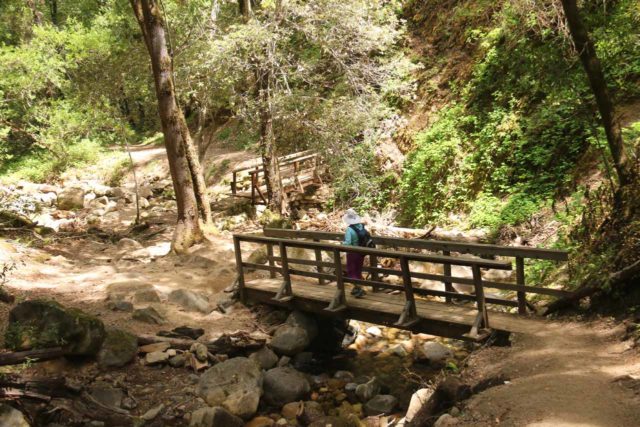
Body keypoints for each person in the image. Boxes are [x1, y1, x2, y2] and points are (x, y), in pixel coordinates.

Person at [342, 208, 369, 298]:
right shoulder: (361, 226)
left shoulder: (349, 229)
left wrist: (342, 243)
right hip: (361, 252)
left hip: (352, 253)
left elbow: (348, 243)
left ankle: (359, 290)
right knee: (358, 271)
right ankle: (357, 289)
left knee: (351, 271)